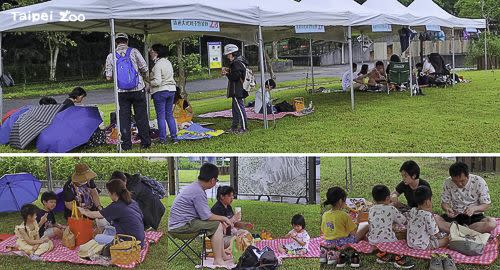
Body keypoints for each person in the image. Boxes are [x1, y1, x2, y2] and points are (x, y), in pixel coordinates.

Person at [169, 163, 233, 267]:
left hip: (181, 224)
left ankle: (222, 255)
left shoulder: (196, 188)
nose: (216, 182)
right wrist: (224, 218)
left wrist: (221, 220)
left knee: (217, 223)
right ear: (212, 180)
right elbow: (207, 217)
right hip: (181, 227)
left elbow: (206, 214)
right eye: (216, 180)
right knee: (217, 225)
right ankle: (218, 260)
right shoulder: (198, 191)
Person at [105, 32, 151, 150]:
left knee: (124, 118)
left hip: (121, 92)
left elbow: (108, 77)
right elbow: (145, 68)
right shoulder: (134, 51)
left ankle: (126, 145)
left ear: (116, 42)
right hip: (138, 89)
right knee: (141, 116)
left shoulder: (111, 56)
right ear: (127, 41)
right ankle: (145, 142)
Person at [78, 179, 145, 247]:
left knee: (97, 238)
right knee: (108, 229)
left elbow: (97, 215)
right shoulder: (132, 202)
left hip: (131, 243)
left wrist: (84, 212)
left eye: (109, 192)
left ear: (114, 193)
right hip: (140, 239)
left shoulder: (116, 206)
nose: (109, 194)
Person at [435, 162, 496, 234]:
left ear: (468, 176)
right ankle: (465, 232)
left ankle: (456, 231)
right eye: (455, 181)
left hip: (474, 217)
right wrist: (447, 209)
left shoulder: (478, 181)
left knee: (491, 224)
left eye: (462, 181)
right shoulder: (448, 182)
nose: (459, 184)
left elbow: (486, 205)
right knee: (433, 218)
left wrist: (474, 208)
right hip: (456, 215)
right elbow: (444, 203)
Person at [368, 185, 412, 268]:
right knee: (403, 242)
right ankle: (397, 258)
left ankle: (383, 255)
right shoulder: (391, 209)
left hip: (372, 241)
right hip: (388, 241)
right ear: (388, 198)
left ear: (373, 200)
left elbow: (370, 224)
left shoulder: (371, 209)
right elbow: (404, 221)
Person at [320, 186, 364, 268]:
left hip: (329, 241)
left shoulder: (325, 214)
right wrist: (358, 220)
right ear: (340, 201)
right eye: (345, 200)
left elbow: (323, 230)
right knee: (365, 228)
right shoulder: (344, 215)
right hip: (342, 241)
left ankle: (328, 254)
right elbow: (354, 232)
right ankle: (345, 252)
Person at [148, 43, 178, 144]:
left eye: (151, 51)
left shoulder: (158, 65)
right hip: (171, 90)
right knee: (169, 115)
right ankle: (174, 138)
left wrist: (149, 85)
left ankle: (163, 139)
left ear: (156, 53)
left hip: (161, 91)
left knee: (160, 116)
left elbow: (157, 81)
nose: (150, 53)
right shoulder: (168, 62)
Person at [211, 186, 253, 250]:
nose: (232, 198)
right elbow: (220, 228)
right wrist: (233, 218)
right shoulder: (217, 209)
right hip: (221, 238)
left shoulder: (228, 207)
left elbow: (234, 224)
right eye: (230, 196)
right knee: (241, 240)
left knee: (247, 234)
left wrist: (245, 225)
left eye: (232, 196)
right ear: (222, 196)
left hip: (231, 233)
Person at [222, 44, 249, 134]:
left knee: (240, 109)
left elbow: (235, 77)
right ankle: (234, 127)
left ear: (232, 53)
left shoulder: (236, 63)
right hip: (237, 90)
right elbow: (236, 73)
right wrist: (228, 71)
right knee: (235, 109)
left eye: (228, 54)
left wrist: (226, 73)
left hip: (237, 90)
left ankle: (244, 128)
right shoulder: (239, 62)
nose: (227, 56)